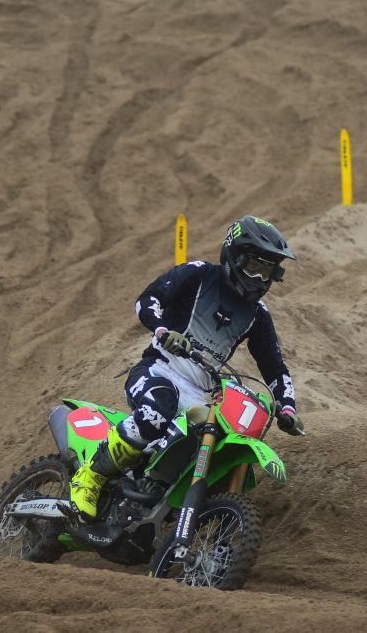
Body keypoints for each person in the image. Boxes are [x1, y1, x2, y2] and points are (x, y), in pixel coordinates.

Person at [69, 215, 305, 519]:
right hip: (158, 370)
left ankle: (159, 502)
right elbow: (148, 299)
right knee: (158, 409)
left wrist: (286, 408)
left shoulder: (258, 316)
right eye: (254, 268)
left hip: (198, 395)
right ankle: (90, 477)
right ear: (234, 256)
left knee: (212, 442)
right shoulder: (200, 274)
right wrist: (163, 331)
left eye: (267, 272)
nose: (259, 279)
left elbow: (275, 369)